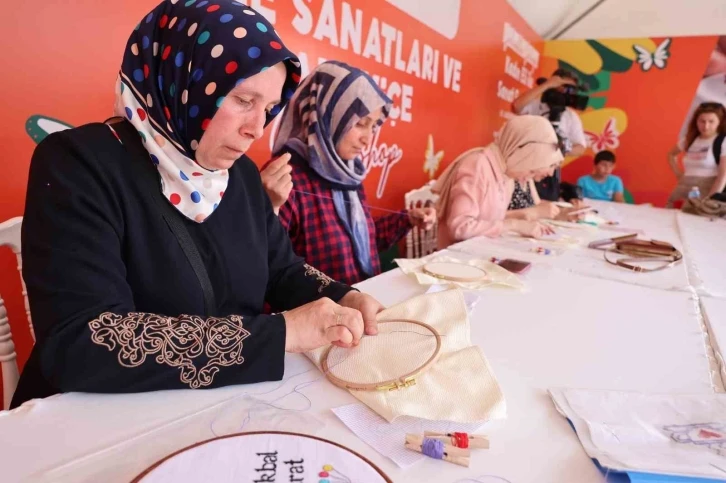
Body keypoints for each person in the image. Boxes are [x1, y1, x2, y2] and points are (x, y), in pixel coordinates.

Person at [11, 1, 384, 408]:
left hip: (211, 406)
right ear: (183, 79)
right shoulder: (79, 164)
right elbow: (83, 340)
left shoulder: (236, 173)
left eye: (268, 108)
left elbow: (281, 269)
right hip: (93, 420)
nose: (256, 129)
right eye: (243, 100)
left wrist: (342, 297)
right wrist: (282, 334)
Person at [262, 61, 436, 286]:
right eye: (361, 124)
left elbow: (364, 243)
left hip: (363, 305)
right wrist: (267, 208)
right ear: (327, 116)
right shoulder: (283, 178)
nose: (368, 138)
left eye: (373, 126)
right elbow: (266, 267)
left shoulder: (347, 172)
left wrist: (407, 219)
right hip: (323, 315)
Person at [433, 116, 563, 250]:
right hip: (457, 259)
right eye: (530, 171)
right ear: (519, 154)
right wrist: (514, 225)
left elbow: (490, 221)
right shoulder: (478, 166)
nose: (528, 179)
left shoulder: (505, 174)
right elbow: (460, 228)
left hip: (481, 252)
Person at [512, 69, 587, 201]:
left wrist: (563, 146)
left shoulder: (571, 116)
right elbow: (517, 106)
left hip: (550, 171)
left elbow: (580, 147)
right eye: (563, 87)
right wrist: (547, 85)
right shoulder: (536, 106)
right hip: (525, 166)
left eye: (570, 89)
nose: (565, 92)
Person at [667, 102, 726, 207]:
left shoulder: (722, 141)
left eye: (711, 121)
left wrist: (709, 200)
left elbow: (723, 176)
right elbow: (671, 155)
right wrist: (678, 174)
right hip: (683, 186)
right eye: (702, 121)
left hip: (706, 188)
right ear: (696, 121)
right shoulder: (689, 139)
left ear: (720, 122)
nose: (706, 126)